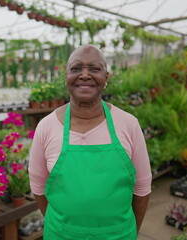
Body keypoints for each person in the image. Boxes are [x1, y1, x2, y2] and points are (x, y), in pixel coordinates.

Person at [28, 44, 152, 239]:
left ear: (106, 78)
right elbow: (38, 187)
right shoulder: (47, 127)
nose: (84, 75)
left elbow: (142, 189)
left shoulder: (128, 124)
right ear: (66, 77)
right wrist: (64, 227)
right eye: (76, 69)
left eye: (94, 69)